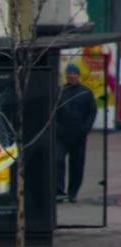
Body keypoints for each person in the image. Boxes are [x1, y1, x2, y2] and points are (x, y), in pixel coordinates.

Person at [55, 63, 96, 203]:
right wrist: (57, 129)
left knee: (77, 166)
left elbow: (92, 113)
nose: (71, 75)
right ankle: (59, 192)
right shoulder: (60, 92)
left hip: (79, 136)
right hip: (61, 136)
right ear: (66, 75)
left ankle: (73, 193)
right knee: (57, 161)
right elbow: (53, 113)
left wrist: (85, 129)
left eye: (74, 73)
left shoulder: (86, 92)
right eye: (69, 73)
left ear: (78, 75)